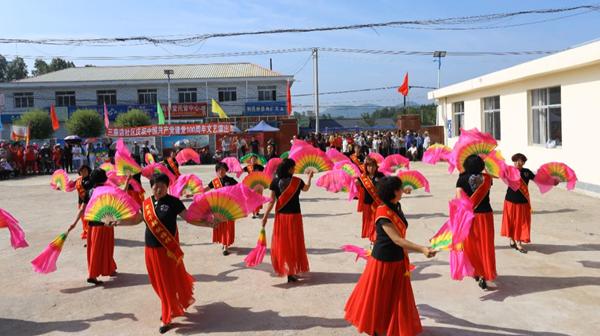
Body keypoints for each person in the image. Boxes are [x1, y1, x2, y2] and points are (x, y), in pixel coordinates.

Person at [106, 173, 218, 334]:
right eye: (155, 186)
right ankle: (171, 305)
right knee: (157, 283)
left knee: (166, 284)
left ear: (167, 186)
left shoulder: (174, 202)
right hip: (150, 250)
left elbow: (189, 218)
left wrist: (208, 224)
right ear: (151, 187)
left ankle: (167, 316)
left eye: (161, 186)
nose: (158, 189)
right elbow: (137, 219)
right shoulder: (146, 203)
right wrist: (118, 223)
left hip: (167, 252)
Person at [345, 176, 436, 336]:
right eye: (400, 188)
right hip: (384, 261)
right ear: (394, 192)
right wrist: (422, 249)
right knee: (380, 298)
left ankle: (389, 326)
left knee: (394, 298)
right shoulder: (383, 212)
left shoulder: (395, 205)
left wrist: (404, 192)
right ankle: (376, 328)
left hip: (397, 259)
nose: (402, 190)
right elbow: (397, 239)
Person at [261, 159, 313, 283]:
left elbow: (271, 201)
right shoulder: (297, 181)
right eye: (293, 167)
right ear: (289, 169)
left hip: (281, 217)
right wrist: (309, 177)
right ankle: (291, 271)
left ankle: (286, 269)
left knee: (284, 244)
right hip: (294, 216)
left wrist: (265, 216)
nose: (294, 170)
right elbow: (306, 188)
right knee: (294, 243)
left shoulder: (275, 182)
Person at [68, 168, 117, 286]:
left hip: (92, 226)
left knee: (94, 249)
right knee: (106, 248)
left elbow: (82, 209)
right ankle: (92, 275)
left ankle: (110, 268)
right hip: (106, 224)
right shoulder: (108, 191)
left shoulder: (89, 192)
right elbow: (120, 198)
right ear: (104, 179)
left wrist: (74, 223)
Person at [456, 154, 496, 290]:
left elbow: (459, 199)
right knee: (486, 245)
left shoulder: (461, 179)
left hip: (469, 216)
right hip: (485, 215)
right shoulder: (487, 179)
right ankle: (485, 273)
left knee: (471, 244)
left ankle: (476, 271)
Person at [501, 153, 538, 254]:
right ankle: (512, 240)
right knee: (511, 221)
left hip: (523, 202)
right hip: (510, 200)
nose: (518, 163)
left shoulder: (526, 172)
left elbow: (538, 179)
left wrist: (552, 181)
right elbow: (497, 174)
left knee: (521, 223)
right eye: (516, 160)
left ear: (524, 162)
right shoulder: (509, 170)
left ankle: (519, 243)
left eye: (521, 161)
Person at [205, 162, 238, 255]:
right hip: (218, 208)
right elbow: (205, 189)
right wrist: (192, 193)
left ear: (226, 170)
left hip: (229, 207)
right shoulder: (214, 182)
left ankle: (225, 245)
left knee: (228, 226)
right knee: (221, 226)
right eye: (219, 170)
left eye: (223, 169)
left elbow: (239, 188)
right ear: (216, 171)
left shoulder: (231, 180)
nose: (221, 171)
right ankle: (223, 242)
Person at [356, 157, 385, 242]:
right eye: (369, 166)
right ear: (366, 167)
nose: (371, 168)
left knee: (378, 223)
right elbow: (353, 185)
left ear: (376, 166)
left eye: (373, 166)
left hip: (378, 204)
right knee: (369, 223)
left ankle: (376, 240)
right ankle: (372, 241)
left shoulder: (381, 176)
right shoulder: (362, 177)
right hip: (367, 204)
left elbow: (388, 186)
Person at [242, 154, 265, 218]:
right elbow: (241, 171)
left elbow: (265, 172)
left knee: (258, 198)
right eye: (252, 159)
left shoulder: (260, 167)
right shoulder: (248, 167)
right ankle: (253, 212)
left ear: (256, 160)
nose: (253, 160)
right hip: (250, 185)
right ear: (250, 160)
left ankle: (257, 211)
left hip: (258, 184)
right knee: (251, 198)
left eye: (255, 159)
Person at [75, 165, 92, 241]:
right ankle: (86, 232)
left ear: (88, 171)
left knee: (88, 220)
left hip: (88, 204)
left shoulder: (91, 180)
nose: (84, 172)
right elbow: (70, 186)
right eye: (82, 171)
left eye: (85, 170)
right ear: (80, 172)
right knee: (83, 219)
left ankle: (89, 233)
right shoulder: (79, 180)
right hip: (80, 202)